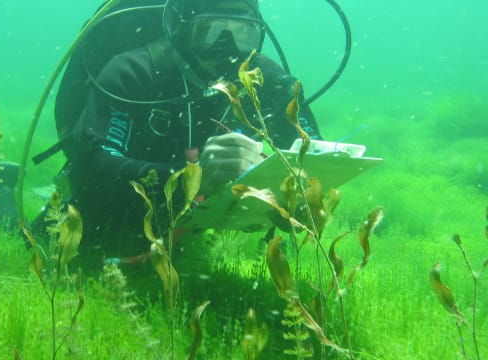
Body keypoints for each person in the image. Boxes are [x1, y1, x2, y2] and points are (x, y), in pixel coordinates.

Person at [53, 0, 323, 263]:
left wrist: (304, 194)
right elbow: (91, 168)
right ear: (180, 29)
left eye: (242, 33)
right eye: (209, 31)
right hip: (120, 219)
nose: (226, 48)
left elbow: (315, 150)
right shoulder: (133, 73)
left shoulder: (265, 79)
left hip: (196, 227)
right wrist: (191, 178)